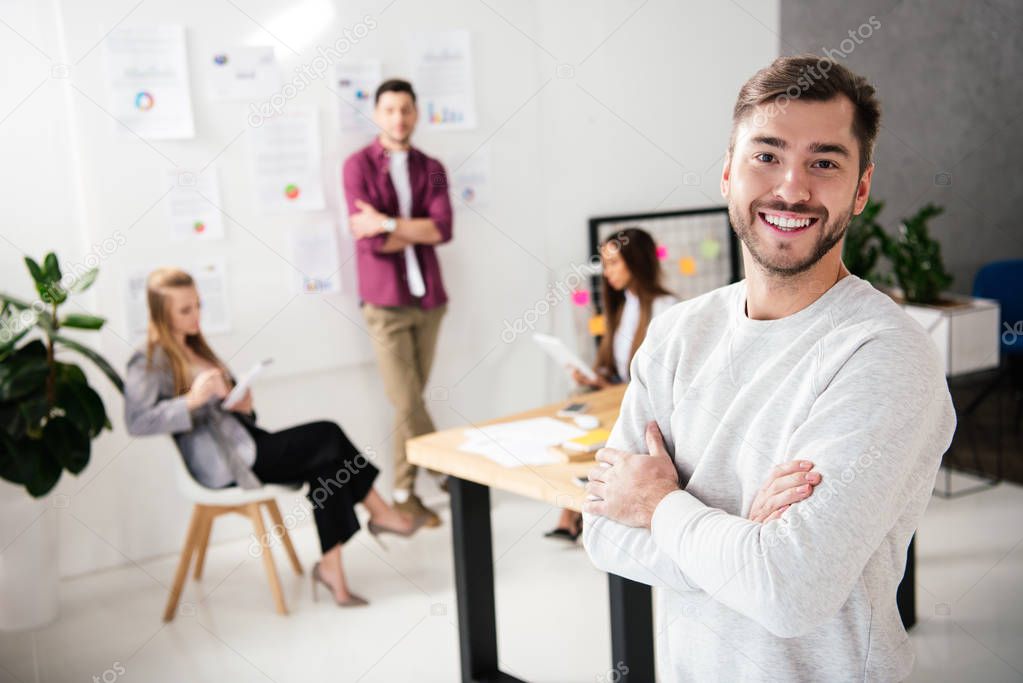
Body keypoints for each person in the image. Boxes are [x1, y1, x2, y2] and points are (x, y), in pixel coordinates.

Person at [582, 55, 956, 681]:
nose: (791, 187)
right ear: (728, 173)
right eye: (766, 155)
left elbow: (788, 592)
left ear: (860, 188)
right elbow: (603, 531)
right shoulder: (676, 333)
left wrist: (657, 505)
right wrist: (741, 543)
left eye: (825, 162)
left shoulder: (885, 353)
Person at [124, 268, 422, 608]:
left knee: (328, 466)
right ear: (162, 314)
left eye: (198, 305)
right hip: (228, 464)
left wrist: (243, 405)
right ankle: (382, 514)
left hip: (249, 445)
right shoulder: (148, 361)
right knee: (328, 433)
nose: (196, 316)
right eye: (185, 310)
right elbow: (137, 421)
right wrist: (190, 400)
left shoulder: (198, 349)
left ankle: (332, 572)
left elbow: (239, 414)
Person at [342, 78, 452, 527]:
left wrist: (387, 222)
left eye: (406, 109)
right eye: (389, 110)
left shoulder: (434, 167)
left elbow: (442, 229)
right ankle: (450, 475)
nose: (398, 118)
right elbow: (369, 244)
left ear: (417, 113)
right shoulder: (356, 166)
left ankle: (404, 492)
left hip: (429, 299)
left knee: (409, 401)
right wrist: (412, 227)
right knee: (406, 400)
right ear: (377, 114)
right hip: (385, 302)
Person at [547, 227, 678, 541]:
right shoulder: (622, 309)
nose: (608, 273)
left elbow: (661, 383)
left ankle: (576, 514)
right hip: (618, 397)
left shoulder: (667, 309)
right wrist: (595, 380)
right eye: (605, 265)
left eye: (614, 264)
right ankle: (574, 511)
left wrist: (615, 389)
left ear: (637, 262)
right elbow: (621, 372)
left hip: (646, 410)